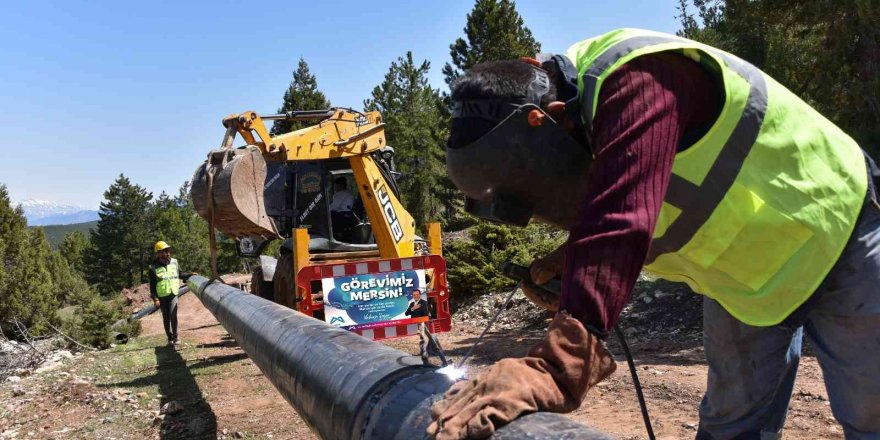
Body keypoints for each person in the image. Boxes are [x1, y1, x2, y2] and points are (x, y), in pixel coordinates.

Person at [431, 28, 880, 440]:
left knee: (870, 415)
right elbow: (645, 196)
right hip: (747, 283)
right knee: (730, 428)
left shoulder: (637, 78)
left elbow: (623, 217)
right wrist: (571, 258)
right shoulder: (582, 124)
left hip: (837, 236)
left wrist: (557, 364)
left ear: (553, 119)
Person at [149, 241, 194, 346]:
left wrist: (190, 274)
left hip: (173, 293)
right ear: (159, 253)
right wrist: (155, 299)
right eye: (165, 251)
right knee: (166, 318)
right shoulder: (153, 267)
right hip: (162, 296)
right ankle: (169, 338)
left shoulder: (174, 262)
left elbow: (180, 274)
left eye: (168, 250)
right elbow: (152, 285)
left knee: (173, 315)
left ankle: (176, 336)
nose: (168, 253)